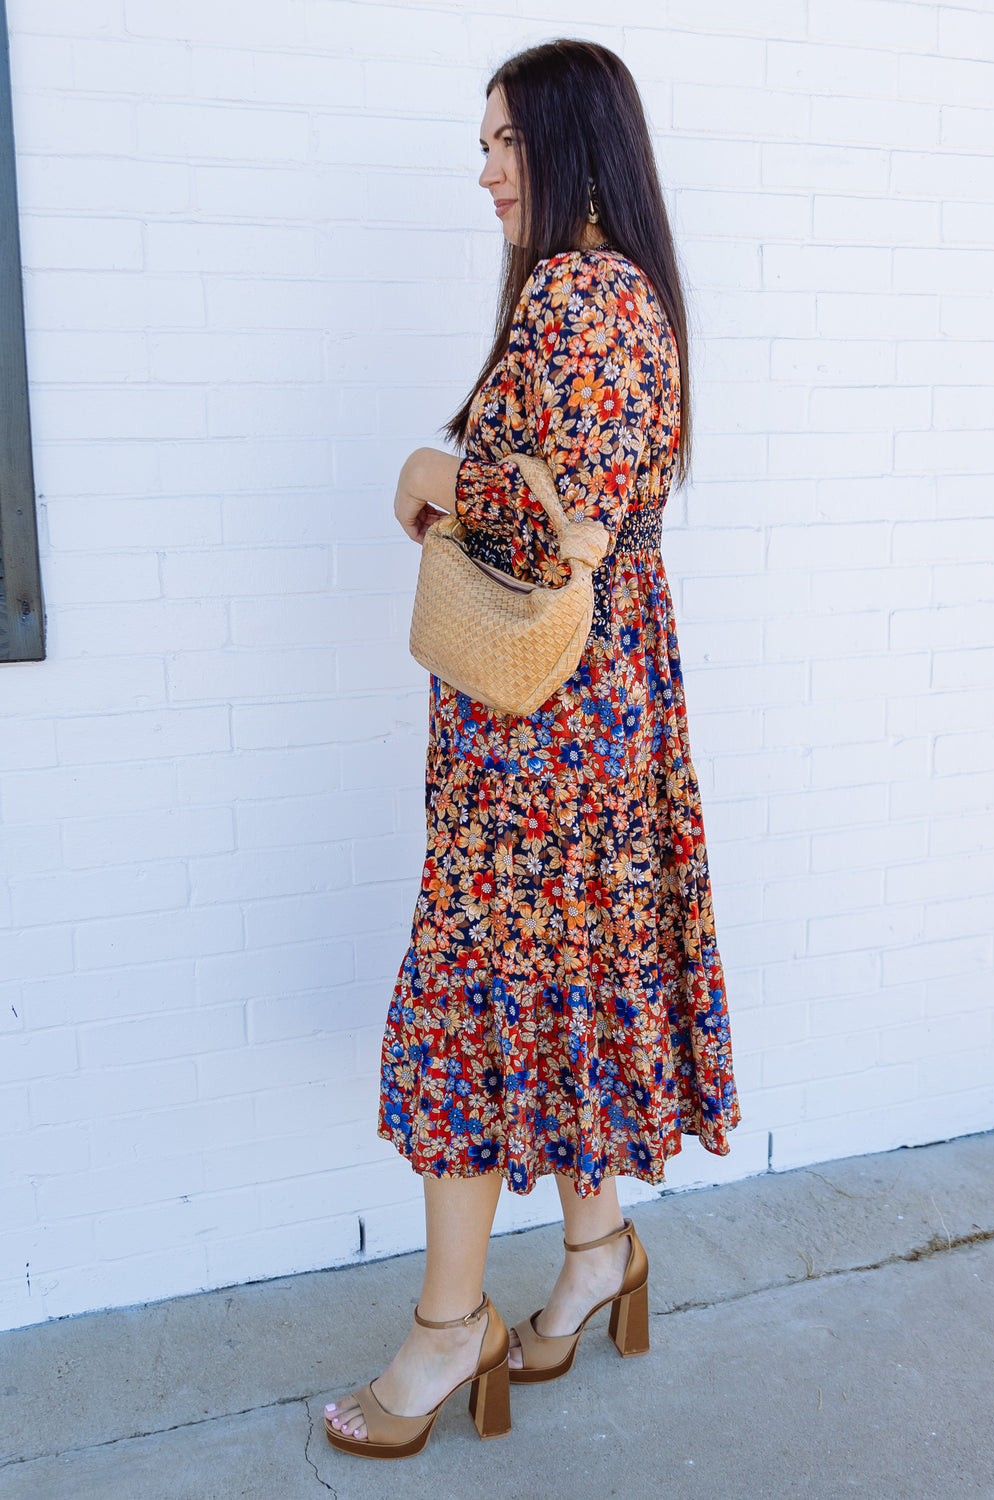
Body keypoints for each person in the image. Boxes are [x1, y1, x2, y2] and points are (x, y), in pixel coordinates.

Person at [325, 38, 740, 1460]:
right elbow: (594, 511)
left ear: (571, 140)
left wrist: (433, 475)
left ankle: (452, 1329)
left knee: (474, 987)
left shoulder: (583, 294)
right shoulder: (621, 296)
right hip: (581, 718)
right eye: (482, 144)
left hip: (544, 741)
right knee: (559, 980)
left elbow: (548, 524)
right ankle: (597, 1251)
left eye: (506, 140)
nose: (487, 169)